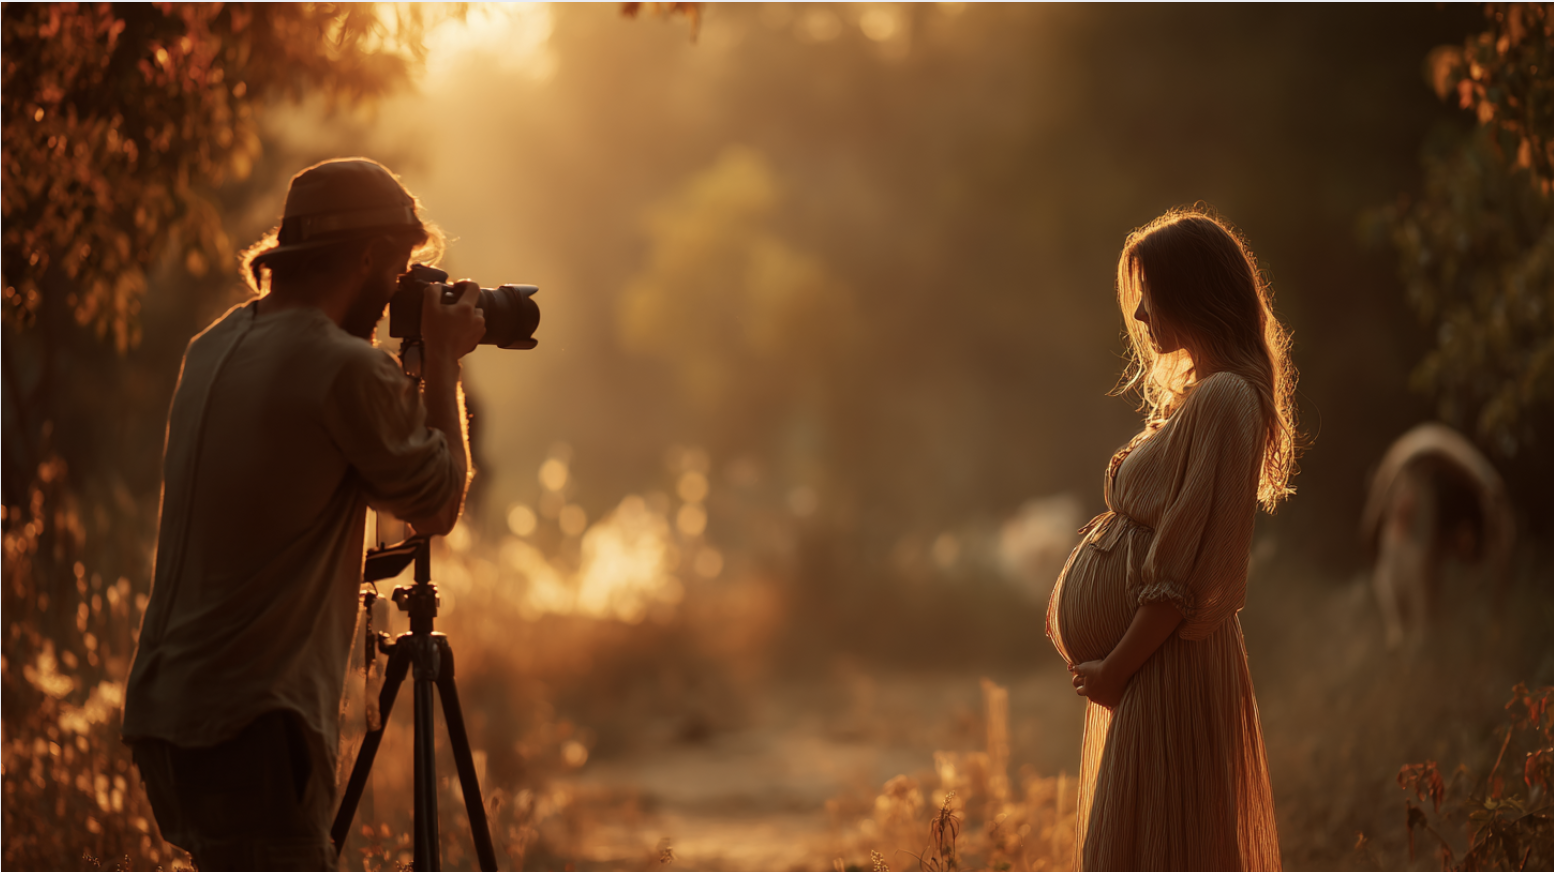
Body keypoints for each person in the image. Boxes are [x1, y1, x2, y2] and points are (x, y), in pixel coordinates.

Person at [121, 158, 486, 871]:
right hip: (255, 727)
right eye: (399, 272)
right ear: (370, 255)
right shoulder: (344, 367)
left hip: (169, 715)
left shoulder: (213, 347)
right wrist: (442, 362)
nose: (395, 295)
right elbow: (436, 504)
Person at [1045, 208, 1299, 871]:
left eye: (1150, 296)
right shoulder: (1207, 399)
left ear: (1190, 295)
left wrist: (1117, 667)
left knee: (1163, 848)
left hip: (1166, 670)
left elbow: (1186, 577)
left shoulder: (1225, 402)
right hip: (1153, 671)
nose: (1138, 317)